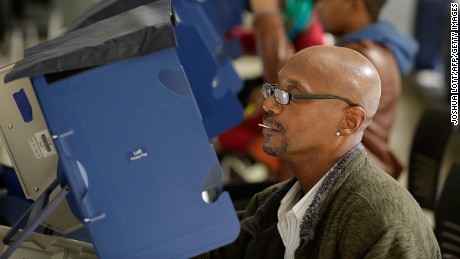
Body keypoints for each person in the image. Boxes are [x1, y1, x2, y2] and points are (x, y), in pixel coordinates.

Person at [196, 45, 440, 258]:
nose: (268, 105)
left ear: (349, 121)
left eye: (292, 94)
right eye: (274, 89)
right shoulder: (274, 205)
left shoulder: (381, 225)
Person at [314, 0, 419, 179]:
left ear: (355, 4)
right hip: (358, 170)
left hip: (348, 179)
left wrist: (267, 19)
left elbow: (306, 120)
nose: (318, 8)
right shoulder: (378, 47)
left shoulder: (358, 58)